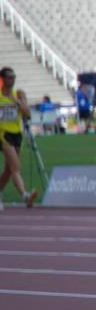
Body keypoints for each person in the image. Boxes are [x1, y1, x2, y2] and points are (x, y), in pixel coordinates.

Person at [0, 67, 38, 208]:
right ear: (2, 79)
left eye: (14, 77)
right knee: (16, 167)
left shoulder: (19, 94)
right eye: (9, 77)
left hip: (17, 134)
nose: (13, 79)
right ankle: (25, 195)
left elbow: (27, 114)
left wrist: (16, 101)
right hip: (3, 135)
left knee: (9, 170)